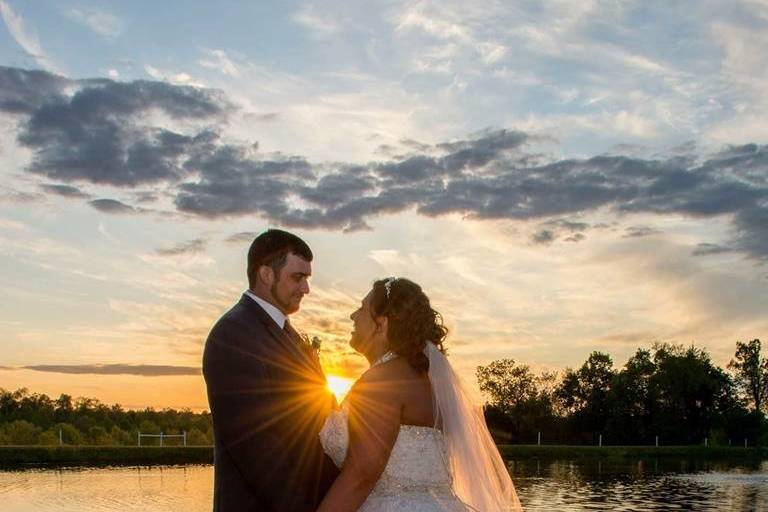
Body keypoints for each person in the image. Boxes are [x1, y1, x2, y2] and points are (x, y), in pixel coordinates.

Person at [318, 277, 523, 511]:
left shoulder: (384, 380)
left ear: (381, 324)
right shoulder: (429, 381)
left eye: (362, 308)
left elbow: (362, 475)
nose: (353, 316)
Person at [203, 229, 339, 512]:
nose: (306, 289)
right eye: (297, 277)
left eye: (307, 279)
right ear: (266, 274)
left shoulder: (291, 335)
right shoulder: (234, 333)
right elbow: (256, 447)